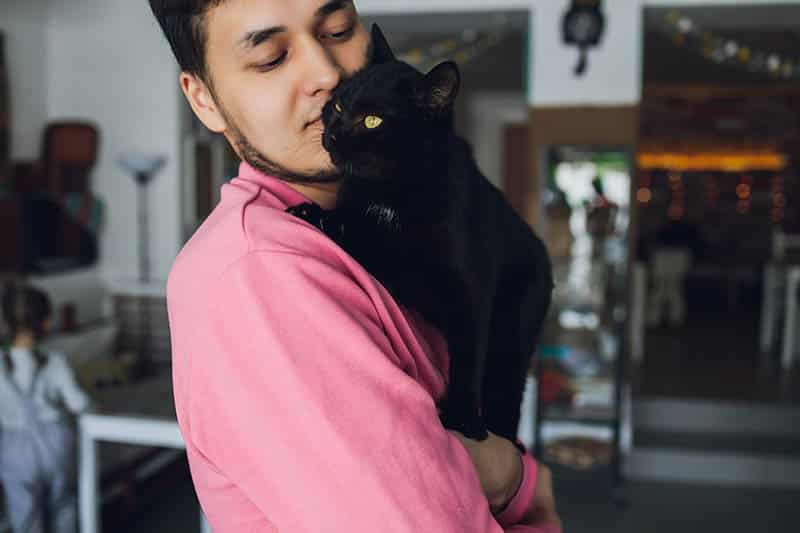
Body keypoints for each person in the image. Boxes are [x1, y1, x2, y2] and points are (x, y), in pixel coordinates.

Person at [150, 1, 562, 531]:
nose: (326, 74)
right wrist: (522, 485)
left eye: (338, 31)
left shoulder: (369, 213)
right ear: (204, 100)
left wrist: (511, 476)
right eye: (273, 56)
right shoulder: (263, 278)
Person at [0, 281, 92, 533]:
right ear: (45, 322)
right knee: (62, 506)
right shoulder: (55, 362)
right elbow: (80, 403)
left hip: (13, 451)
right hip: (55, 447)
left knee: (24, 516)